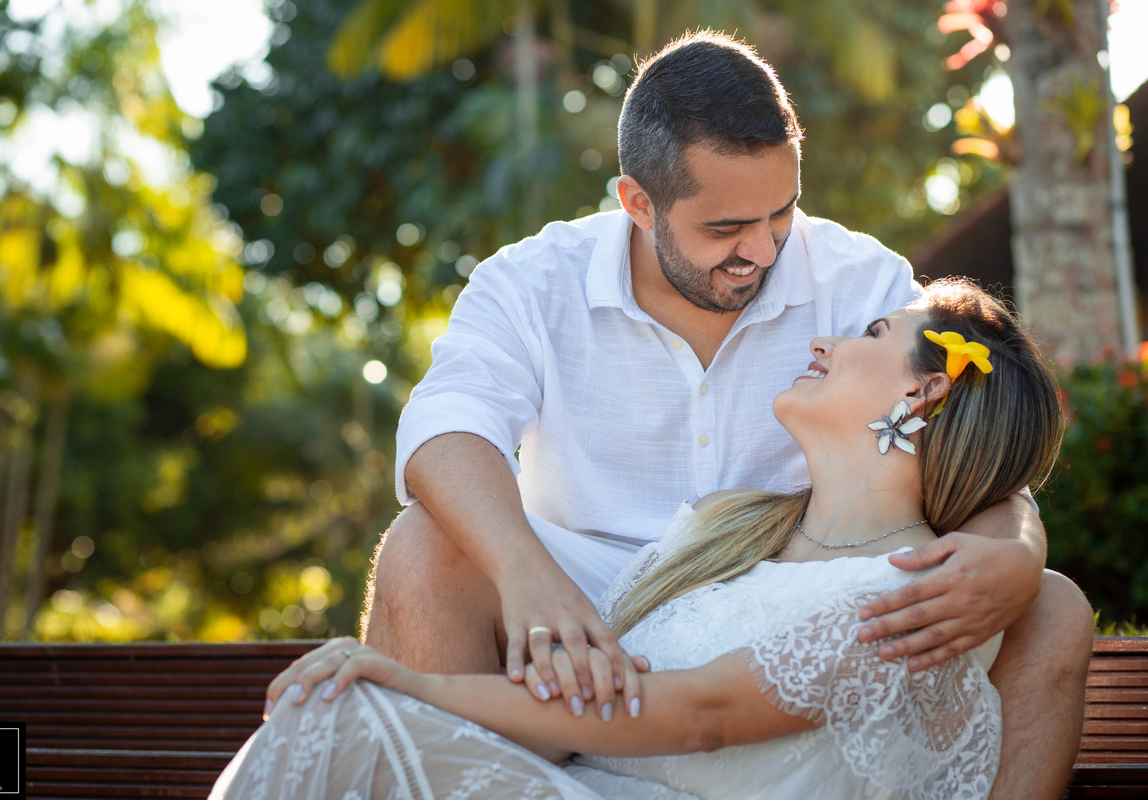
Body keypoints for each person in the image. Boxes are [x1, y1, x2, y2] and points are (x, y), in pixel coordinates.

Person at [347, 31, 1092, 798]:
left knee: (1052, 608)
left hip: (784, 581)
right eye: (724, 230)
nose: (763, 251)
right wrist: (528, 577)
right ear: (638, 203)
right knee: (423, 549)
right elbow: (446, 430)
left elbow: (964, 421)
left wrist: (1017, 550)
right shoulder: (534, 281)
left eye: (781, 213)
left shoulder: (861, 277)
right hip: (587, 587)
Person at [211, 278, 1061, 799]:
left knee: (343, 721)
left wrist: (407, 688)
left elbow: (701, 717)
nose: (827, 339)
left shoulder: (915, 594)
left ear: (923, 397)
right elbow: (571, 716)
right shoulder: (720, 533)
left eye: (872, 336)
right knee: (331, 719)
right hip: (566, 783)